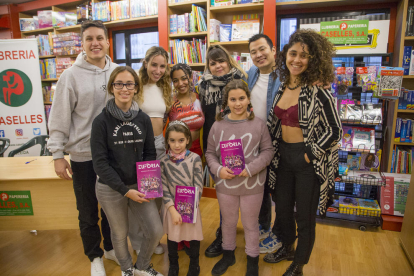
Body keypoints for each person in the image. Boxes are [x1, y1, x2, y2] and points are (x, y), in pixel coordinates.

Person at [263, 29, 342, 276]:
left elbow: (335, 130)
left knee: (305, 217)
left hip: (308, 160)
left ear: (313, 60)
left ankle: (299, 264)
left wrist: (310, 154)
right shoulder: (282, 86)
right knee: (283, 209)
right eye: (293, 54)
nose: (297, 60)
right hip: (282, 158)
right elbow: (273, 124)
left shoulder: (318, 90)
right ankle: (286, 247)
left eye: (304, 56)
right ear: (285, 56)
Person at [47, 20, 119, 276]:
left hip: (114, 156)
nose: (95, 43)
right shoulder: (70, 76)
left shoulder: (119, 72)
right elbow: (59, 117)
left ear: (107, 41)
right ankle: (95, 256)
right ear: (83, 43)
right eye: (89, 39)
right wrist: (57, 154)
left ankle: (111, 248)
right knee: (88, 211)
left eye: (99, 38)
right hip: (82, 156)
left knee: (114, 208)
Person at [91, 66, 164, 276]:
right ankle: (127, 269)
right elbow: (100, 163)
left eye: (129, 84)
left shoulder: (143, 119)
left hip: (139, 185)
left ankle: (142, 266)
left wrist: (148, 183)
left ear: (135, 88)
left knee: (155, 229)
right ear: (112, 88)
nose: (124, 88)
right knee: (120, 232)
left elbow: (150, 152)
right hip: (111, 187)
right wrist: (124, 190)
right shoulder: (101, 122)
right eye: (119, 84)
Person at [205, 80, 274, 276]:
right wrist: (218, 170)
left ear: (248, 99)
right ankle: (228, 255)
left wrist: (251, 168)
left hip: (253, 184)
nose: (237, 103)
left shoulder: (258, 124)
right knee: (228, 222)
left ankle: (253, 261)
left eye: (241, 98)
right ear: (226, 101)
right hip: (226, 184)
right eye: (233, 99)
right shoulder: (218, 125)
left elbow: (268, 151)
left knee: (251, 224)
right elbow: (210, 153)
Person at [197, 45, 247, 258]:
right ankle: (223, 232)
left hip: (237, 142)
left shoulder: (240, 81)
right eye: (213, 62)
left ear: (229, 61)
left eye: (221, 61)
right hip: (214, 143)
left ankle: (237, 233)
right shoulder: (203, 85)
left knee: (237, 189)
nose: (218, 66)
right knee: (222, 190)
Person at [129, 46, 172, 255]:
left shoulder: (164, 87)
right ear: (145, 63)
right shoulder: (135, 86)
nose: (158, 70)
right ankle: (137, 243)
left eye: (162, 66)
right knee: (140, 196)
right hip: (140, 146)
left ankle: (151, 239)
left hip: (160, 144)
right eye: (154, 65)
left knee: (155, 195)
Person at [247, 34, 282, 254]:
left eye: (262, 49)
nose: (258, 55)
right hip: (255, 141)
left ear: (273, 49)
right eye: (253, 52)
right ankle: (263, 226)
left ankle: (279, 234)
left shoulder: (285, 76)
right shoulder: (251, 73)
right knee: (259, 187)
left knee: (279, 189)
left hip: (279, 141)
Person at [161, 120, 203, 276]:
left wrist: (190, 207)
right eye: (172, 140)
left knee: (193, 236)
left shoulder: (195, 159)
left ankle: (194, 264)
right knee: (172, 237)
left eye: (181, 140)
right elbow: (164, 187)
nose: (176, 145)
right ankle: (173, 265)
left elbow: (198, 185)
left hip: (190, 207)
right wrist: (172, 210)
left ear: (187, 139)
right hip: (171, 208)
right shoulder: (164, 162)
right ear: (167, 141)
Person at [169, 64, 205, 157]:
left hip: (198, 150)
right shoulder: (170, 102)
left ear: (191, 77)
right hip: (176, 152)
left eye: (184, 78)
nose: (180, 83)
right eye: (175, 81)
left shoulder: (199, 97)